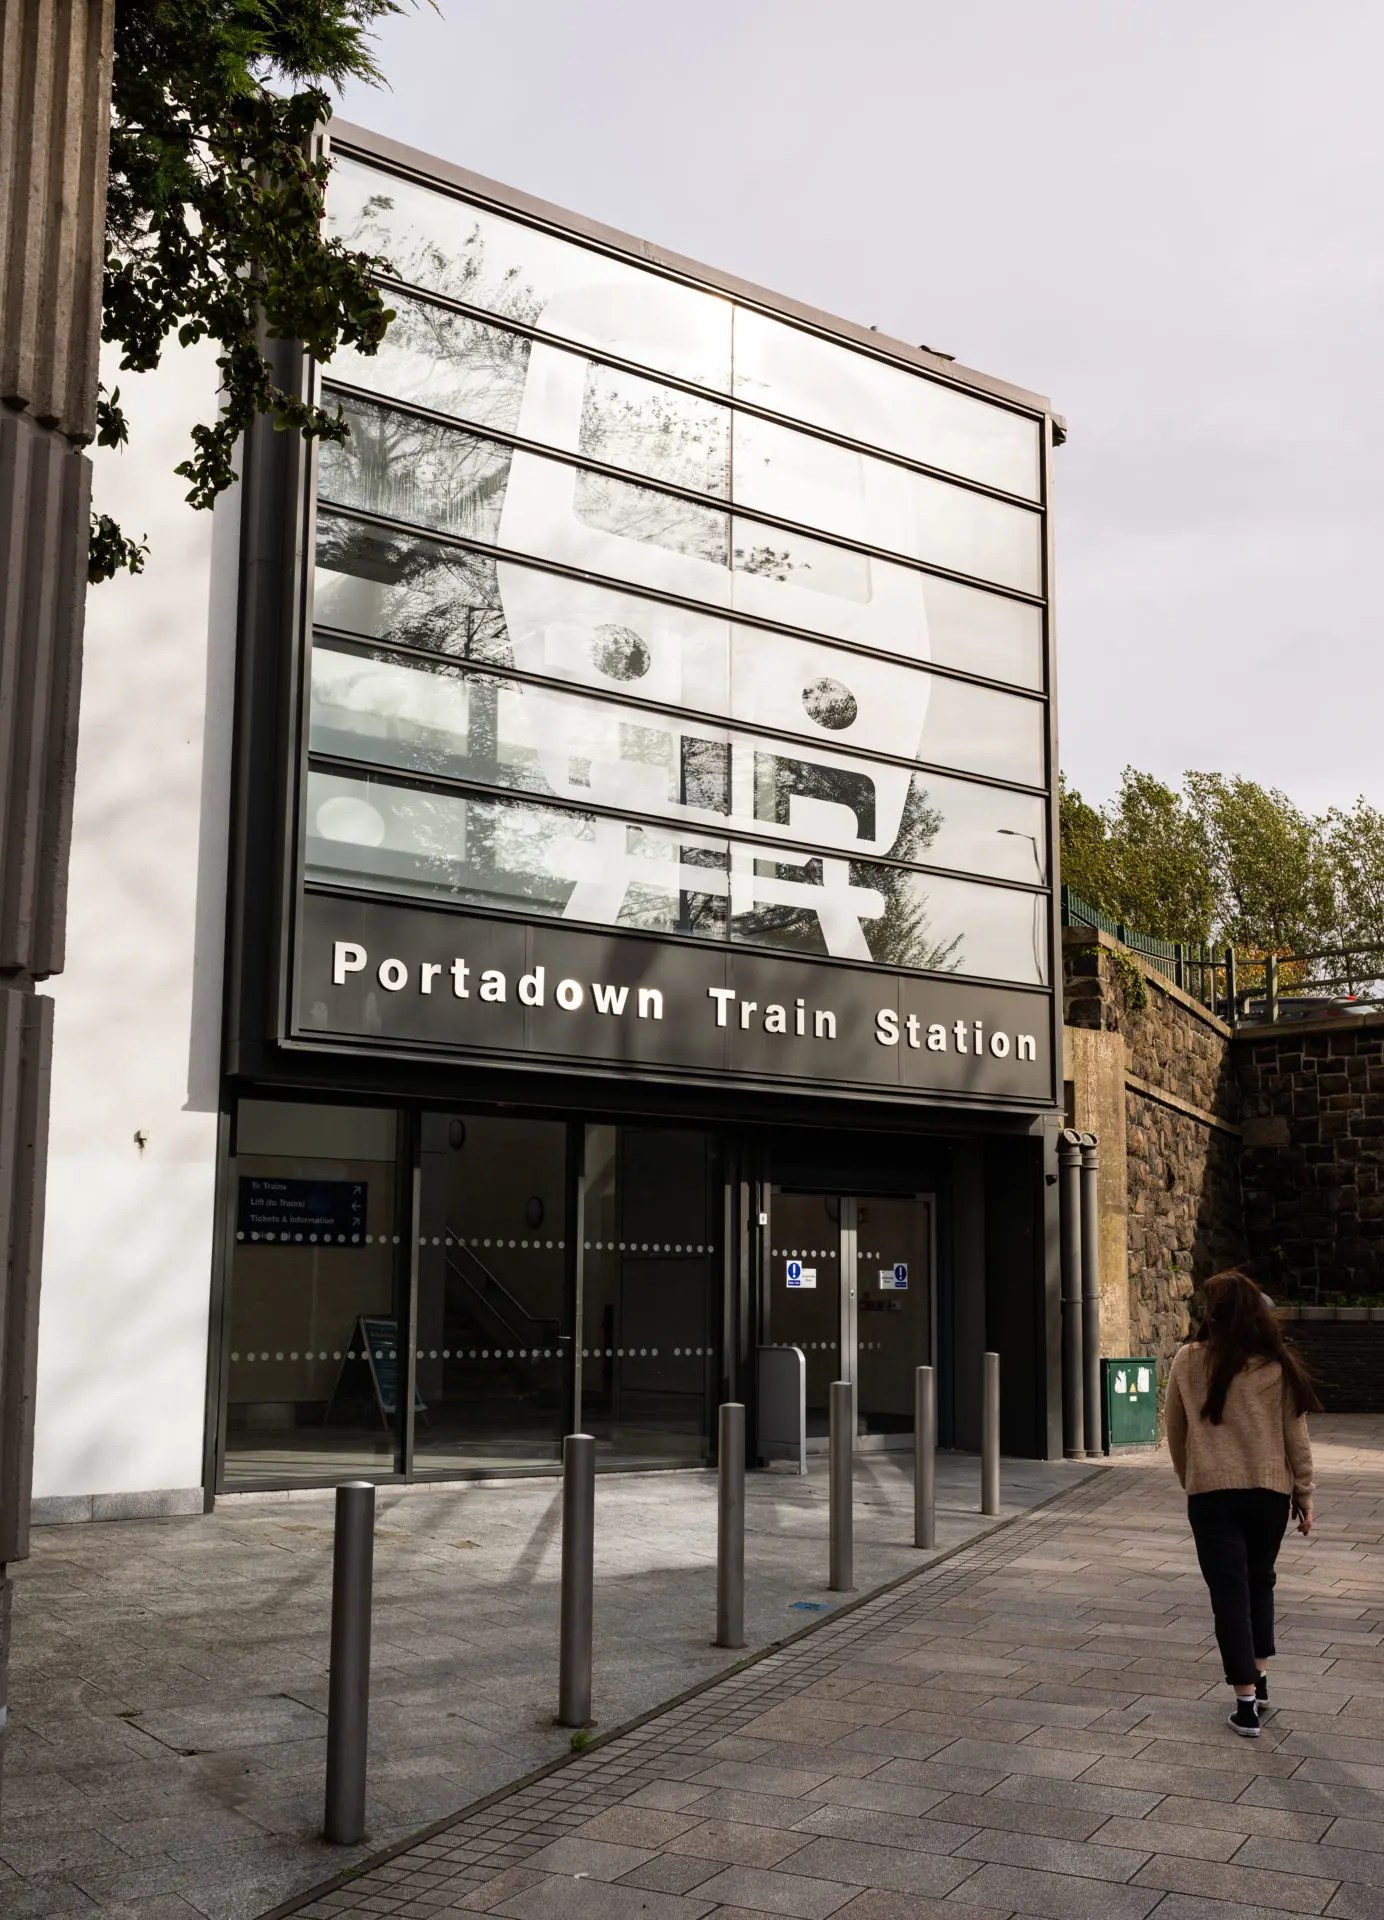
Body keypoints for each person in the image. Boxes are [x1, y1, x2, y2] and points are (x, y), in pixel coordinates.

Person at [1165, 1270, 1319, 1738]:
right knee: (1259, 1581)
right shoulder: (1276, 1365)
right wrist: (1305, 1494)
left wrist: (1189, 1476)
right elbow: (1297, 1436)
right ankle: (1260, 1676)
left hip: (1212, 1495)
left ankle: (1246, 1703)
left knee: (1229, 1594)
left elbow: (1175, 1430)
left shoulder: (1189, 1361)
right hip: (1269, 1495)